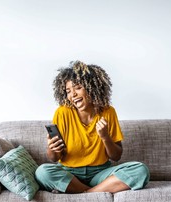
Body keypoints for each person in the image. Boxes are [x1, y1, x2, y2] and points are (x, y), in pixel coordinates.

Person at [35, 61, 150, 194]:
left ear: (92, 88)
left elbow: (116, 156)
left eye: (77, 88)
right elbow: (54, 158)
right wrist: (51, 148)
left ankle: (85, 193)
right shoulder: (62, 113)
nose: (73, 95)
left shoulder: (108, 112)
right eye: (68, 91)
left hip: (100, 174)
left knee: (141, 170)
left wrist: (105, 137)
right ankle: (96, 192)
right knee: (42, 172)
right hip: (70, 174)